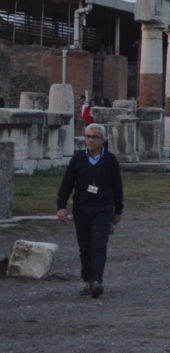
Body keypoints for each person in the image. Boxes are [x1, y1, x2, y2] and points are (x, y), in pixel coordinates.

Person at [56, 123, 123, 298]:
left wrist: (118, 210)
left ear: (103, 140)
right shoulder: (78, 159)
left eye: (95, 137)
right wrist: (61, 206)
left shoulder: (110, 160)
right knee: (85, 246)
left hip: (103, 208)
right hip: (82, 208)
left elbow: (117, 186)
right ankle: (87, 280)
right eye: (88, 136)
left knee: (99, 245)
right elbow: (67, 184)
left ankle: (97, 281)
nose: (91, 140)